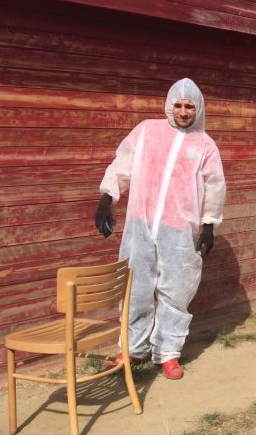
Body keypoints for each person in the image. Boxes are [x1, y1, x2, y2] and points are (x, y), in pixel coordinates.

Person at [94, 78, 226, 380]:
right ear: (169, 105)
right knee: (134, 289)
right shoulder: (146, 132)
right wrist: (107, 199)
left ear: (198, 108)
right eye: (178, 105)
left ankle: (167, 353)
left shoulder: (205, 145)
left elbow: (214, 186)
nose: (183, 111)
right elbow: (122, 165)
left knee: (176, 293)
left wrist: (208, 225)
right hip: (140, 226)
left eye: (189, 106)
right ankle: (131, 350)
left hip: (181, 231)